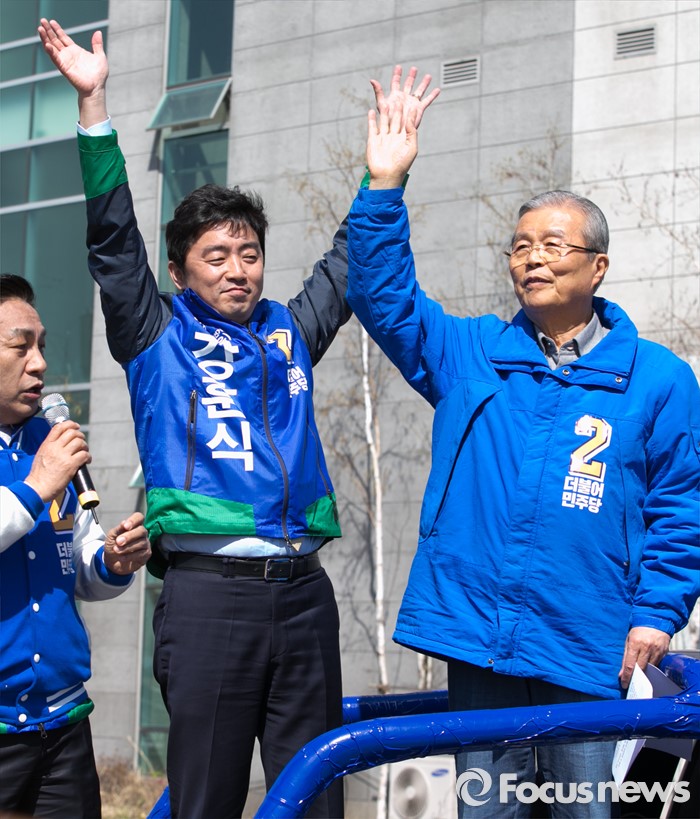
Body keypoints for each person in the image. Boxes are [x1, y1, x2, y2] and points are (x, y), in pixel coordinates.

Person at [38, 19, 438, 819]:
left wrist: (383, 178)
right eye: (216, 256)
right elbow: (114, 240)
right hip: (209, 597)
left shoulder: (289, 328)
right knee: (208, 799)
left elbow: (346, 267)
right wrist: (95, 108)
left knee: (315, 796)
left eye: (249, 253)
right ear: (181, 268)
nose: (238, 269)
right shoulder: (154, 333)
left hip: (304, 592)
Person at [345, 80, 700, 817]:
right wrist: (384, 183)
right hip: (481, 638)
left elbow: (681, 508)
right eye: (521, 246)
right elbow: (384, 298)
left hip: (592, 644)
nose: (532, 259)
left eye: (553, 246)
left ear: (597, 267)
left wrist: (657, 614)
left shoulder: (659, 379)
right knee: (488, 810)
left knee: (585, 810)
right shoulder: (472, 353)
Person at [0, 274, 151, 818]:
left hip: (64, 725)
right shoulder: (48, 467)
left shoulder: (52, 443)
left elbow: (77, 562)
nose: (39, 364)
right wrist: (36, 486)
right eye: (21, 346)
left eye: (42, 346)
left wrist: (111, 562)